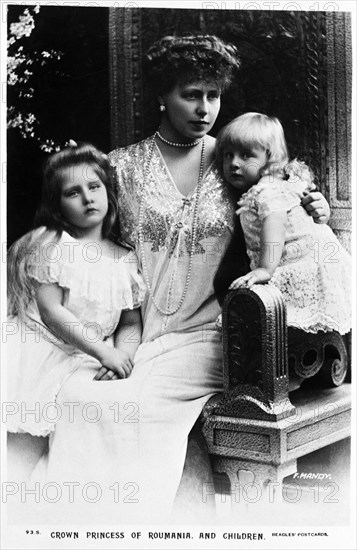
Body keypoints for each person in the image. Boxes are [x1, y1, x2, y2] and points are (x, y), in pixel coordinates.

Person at [17, 36, 330, 524]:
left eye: (214, 96)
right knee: (82, 397)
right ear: (163, 95)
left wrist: (317, 210)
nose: (206, 109)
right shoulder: (119, 167)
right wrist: (122, 338)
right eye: (192, 95)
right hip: (137, 331)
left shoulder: (236, 162)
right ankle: (71, 527)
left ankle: (133, 525)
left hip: (209, 335)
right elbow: (98, 258)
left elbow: (286, 213)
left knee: (135, 406)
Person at [6, 143, 145, 480]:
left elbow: (130, 322)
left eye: (94, 187)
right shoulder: (55, 244)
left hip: (85, 356)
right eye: (73, 192)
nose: (87, 198)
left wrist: (121, 358)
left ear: (108, 193)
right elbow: (51, 311)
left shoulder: (125, 258)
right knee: (23, 444)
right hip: (42, 348)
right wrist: (101, 350)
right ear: (57, 205)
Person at [215, 112, 351, 334]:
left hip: (306, 263)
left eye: (246, 155)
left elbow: (274, 228)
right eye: (228, 155)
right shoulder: (265, 188)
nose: (234, 164)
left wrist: (265, 270)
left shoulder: (268, 190)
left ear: (268, 159)